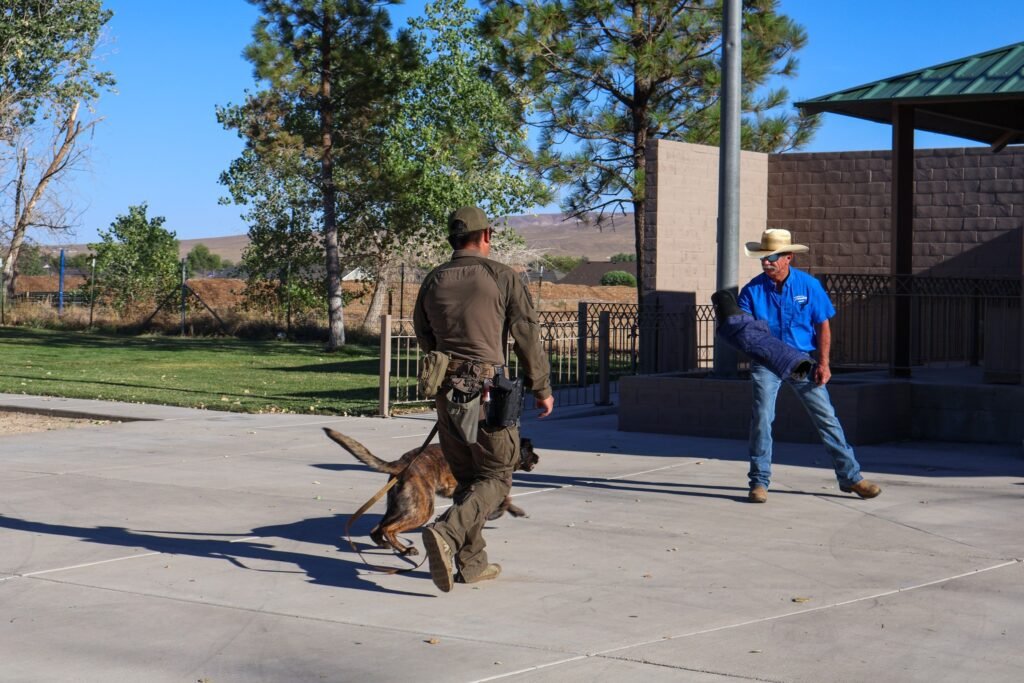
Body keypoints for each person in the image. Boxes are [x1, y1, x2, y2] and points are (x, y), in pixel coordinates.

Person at [413, 206, 554, 592]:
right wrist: (541, 388)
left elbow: (423, 334)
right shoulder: (501, 276)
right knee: (496, 475)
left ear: (452, 239)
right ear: (486, 235)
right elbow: (526, 333)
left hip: (446, 393)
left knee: (468, 477)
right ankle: (447, 532)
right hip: (488, 392)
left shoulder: (433, 279)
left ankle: (472, 564)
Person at [737, 228, 881, 504]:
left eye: (773, 257)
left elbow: (822, 325)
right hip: (766, 362)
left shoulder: (809, 286)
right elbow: (745, 331)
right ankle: (758, 482)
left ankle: (851, 478)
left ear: (789, 257)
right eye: (764, 258)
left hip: (800, 361)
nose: (767, 262)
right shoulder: (752, 291)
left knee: (826, 417)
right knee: (762, 418)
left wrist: (824, 364)